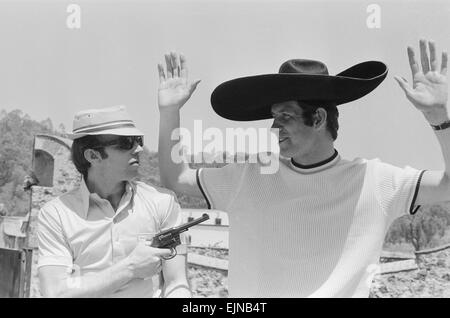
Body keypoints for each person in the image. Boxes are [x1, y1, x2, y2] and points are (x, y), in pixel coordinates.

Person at [157, 39, 449, 297]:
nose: (275, 128)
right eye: (273, 117)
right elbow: (176, 178)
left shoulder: (375, 181)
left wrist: (440, 117)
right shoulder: (250, 175)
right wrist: (170, 112)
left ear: (319, 119)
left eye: (285, 116)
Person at [37, 105, 191, 298]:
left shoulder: (163, 202)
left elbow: (177, 282)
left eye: (137, 140)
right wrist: (130, 267)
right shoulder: (56, 214)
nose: (139, 148)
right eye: (126, 143)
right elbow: (55, 293)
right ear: (93, 155)